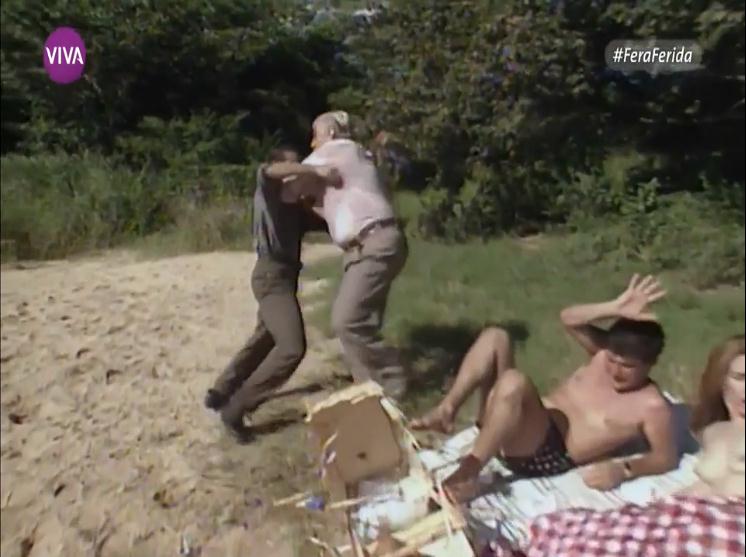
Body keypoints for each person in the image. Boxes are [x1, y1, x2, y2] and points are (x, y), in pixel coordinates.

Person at [411, 274, 679, 502]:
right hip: (510, 424)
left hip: (543, 456)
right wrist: (615, 307)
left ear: (650, 364)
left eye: (627, 366)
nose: (615, 371)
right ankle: (447, 410)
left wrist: (624, 469)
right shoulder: (601, 356)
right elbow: (568, 318)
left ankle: (468, 472)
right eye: (612, 360)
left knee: (514, 382)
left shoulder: (651, 406)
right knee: (496, 337)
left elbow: (666, 457)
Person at [266, 111, 410, 399]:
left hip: (372, 243)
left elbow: (286, 188)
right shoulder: (354, 156)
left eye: (316, 134)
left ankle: (392, 377)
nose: (312, 142)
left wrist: (313, 175)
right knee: (362, 323)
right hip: (372, 244)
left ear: (331, 133)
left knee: (346, 321)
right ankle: (370, 392)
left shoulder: (338, 149)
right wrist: (317, 186)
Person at [203, 146, 339, 441]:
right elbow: (270, 170)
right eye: (292, 166)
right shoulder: (269, 192)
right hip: (271, 276)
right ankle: (235, 409)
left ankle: (222, 389)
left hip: (282, 278)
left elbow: (330, 223)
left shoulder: (295, 209)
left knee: (265, 337)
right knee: (291, 348)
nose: (296, 171)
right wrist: (315, 171)